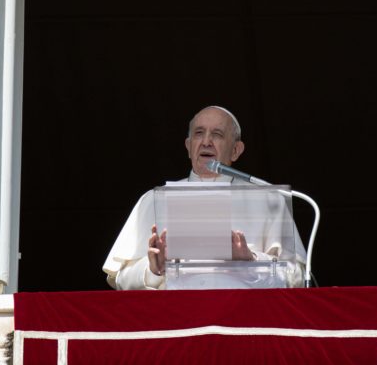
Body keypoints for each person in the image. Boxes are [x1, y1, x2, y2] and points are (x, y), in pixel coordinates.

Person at [103, 105, 306, 290]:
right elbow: (121, 278)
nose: (206, 141)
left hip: (242, 318)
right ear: (189, 146)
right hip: (178, 322)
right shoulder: (154, 199)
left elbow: (296, 278)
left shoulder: (268, 200)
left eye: (217, 135)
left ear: (236, 150)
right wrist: (153, 269)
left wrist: (250, 260)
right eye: (199, 133)